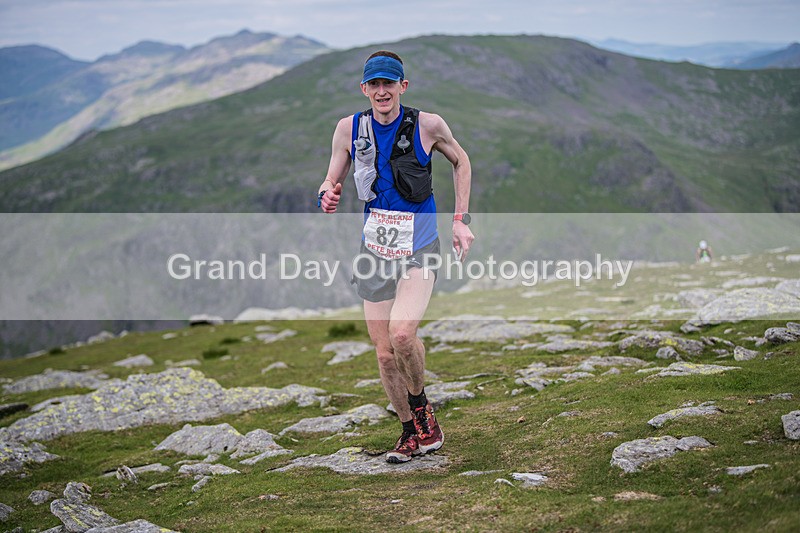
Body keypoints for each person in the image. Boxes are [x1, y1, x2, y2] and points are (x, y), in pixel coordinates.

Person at [317, 50, 474, 463]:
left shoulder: (428, 125)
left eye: (389, 83)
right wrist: (327, 193)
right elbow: (331, 177)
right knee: (385, 352)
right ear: (364, 88)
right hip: (374, 251)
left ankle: (421, 407)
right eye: (375, 84)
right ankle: (408, 431)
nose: (382, 91)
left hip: (419, 247)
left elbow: (461, 162)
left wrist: (461, 220)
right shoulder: (349, 129)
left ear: (403, 86)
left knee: (403, 335)